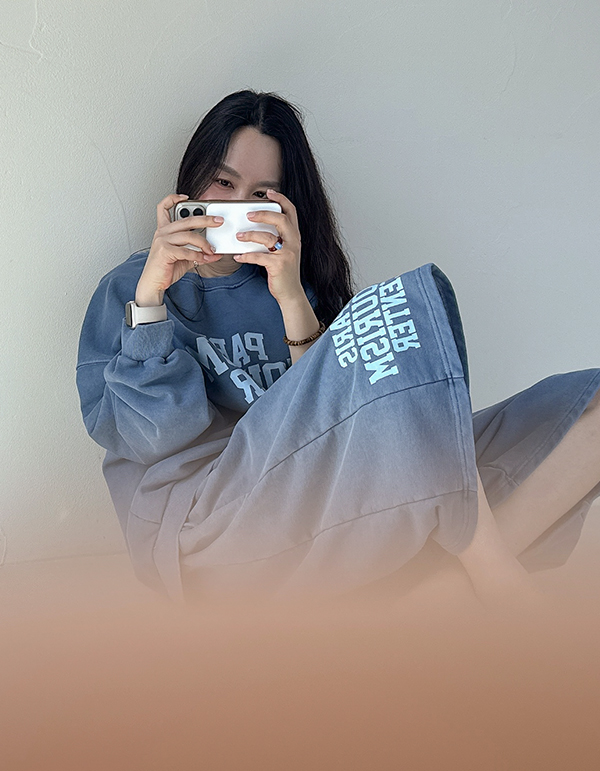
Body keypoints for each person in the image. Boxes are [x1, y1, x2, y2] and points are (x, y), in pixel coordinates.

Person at [76, 89, 600, 607]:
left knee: (584, 408)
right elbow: (151, 440)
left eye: (260, 195)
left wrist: (290, 294)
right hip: (205, 529)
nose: (235, 208)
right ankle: (492, 572)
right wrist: (152, 299)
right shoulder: (132, 287)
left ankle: (445, 590)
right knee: (397, 314)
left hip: (311, 498)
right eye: (223, 182)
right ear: (191, 180)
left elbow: (333, 423)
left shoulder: (290, 281)